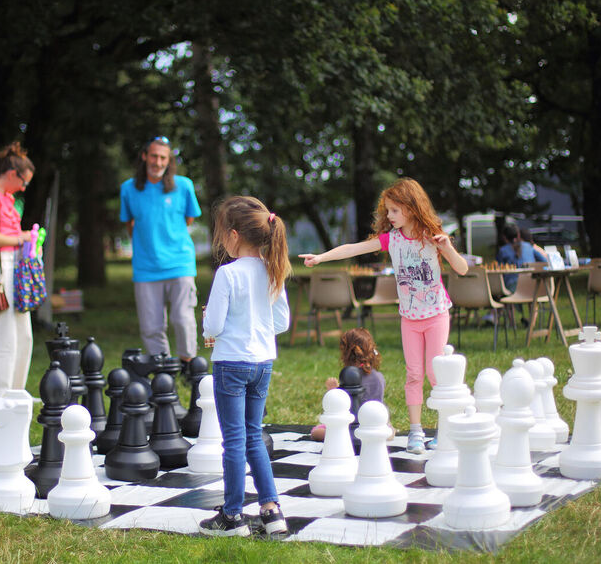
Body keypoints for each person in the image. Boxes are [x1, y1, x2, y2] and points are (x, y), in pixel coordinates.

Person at [300, 178, 468, 454]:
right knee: (414, 374)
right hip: (409, 318)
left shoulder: (432, 237)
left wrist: (447, 247)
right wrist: (321, 258)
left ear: (411, 208)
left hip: (436, 314)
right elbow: (353, 248)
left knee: (435, 374)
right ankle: (416, 432)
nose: (388, 216)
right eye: (388, 210)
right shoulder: (392, 240)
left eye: (394, 210)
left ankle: (444, 431)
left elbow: (461, 269)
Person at [198, 196, 291, 538]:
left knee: (234, 440)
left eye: (222, 234)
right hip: (263, 362)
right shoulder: (272, 268)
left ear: (234, 235)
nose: (222, 240)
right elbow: (281, 321)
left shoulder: (227, 274)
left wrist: (209, 323)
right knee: (253, 435)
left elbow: (214, 327)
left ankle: (232, 515)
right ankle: (271, 510)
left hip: (231, 364)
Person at [120, 136, 203, 376]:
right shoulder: (128, 189)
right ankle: (163, 370)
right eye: (154, 156)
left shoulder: (184, 186)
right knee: (151, 326)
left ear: (169, 161)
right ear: (145, 156)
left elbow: (189, 219)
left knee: (182, 318)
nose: (158, 162)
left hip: (180, 264)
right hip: (145, 267)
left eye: (163, 158)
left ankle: (189, 368)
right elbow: (130, 223)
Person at [0, 142, 36, 397]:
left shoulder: (9, 199)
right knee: (2, 335)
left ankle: (16, 390)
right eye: (23, 182)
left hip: (15, 266)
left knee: (23, 334)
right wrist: (21, 238)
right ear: (13, 174)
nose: (23, 188)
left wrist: (26, 240)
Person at [310, 327, 385, 442]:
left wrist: (333, 391)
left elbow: (344, 408)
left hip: (352, 426)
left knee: (316, 432)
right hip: (374, 422)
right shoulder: (379, 377)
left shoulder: (349, 376)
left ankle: (347, 437)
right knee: (387, 429)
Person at [496, 224, 547, 292]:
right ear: (518, 235)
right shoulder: (529, 246)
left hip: (512, 287)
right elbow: (544, 261)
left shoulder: (503, 250)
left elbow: (498, 270)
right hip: (532, 285)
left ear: (504, 237)